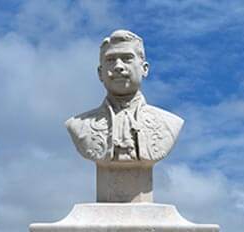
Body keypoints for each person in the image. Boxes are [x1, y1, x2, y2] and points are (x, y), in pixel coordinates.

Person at [66, 29, 183, 164]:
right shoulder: (79, 125)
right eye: (110, 60)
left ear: (144, 69)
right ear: (100, 73)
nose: (118, 66)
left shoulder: (169, 123)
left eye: (127, 58)